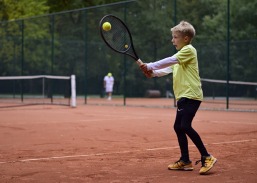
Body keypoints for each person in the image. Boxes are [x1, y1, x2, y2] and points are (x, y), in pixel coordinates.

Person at [139, 21, 217, 175]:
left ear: (186, 38)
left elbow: (168, 60)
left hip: (191, 95)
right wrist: (152, 73)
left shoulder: (188, 50)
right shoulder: (180, 57)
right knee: (178, 127)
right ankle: (185, 161)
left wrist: (149, 66)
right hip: (183, 96)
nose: (172, 40)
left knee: (185, 126)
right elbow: (168, 68)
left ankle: (207, 156)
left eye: (175, 37)